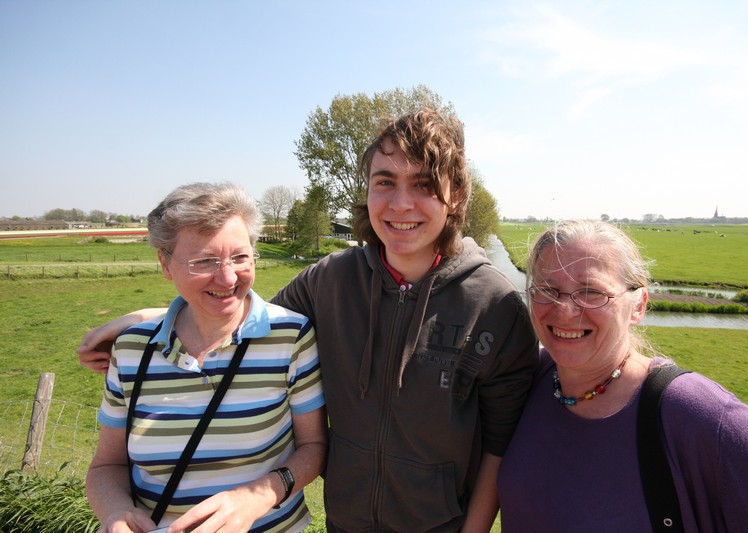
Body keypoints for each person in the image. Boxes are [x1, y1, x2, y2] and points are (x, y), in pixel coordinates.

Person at [78, 108, 539, 532]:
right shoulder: (331, 279)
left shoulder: (495, 303)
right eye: (384, 182)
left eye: (423, 185)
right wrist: (159, 316)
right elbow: (247, 313)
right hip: (345, 524)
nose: (401, 204)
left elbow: (499, 446)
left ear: (455, 196)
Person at [497, 219, 748, 531]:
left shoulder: (696, 413)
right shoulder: (527, 378)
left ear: (638, 306)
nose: (564, 309)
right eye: (547, 290)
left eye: (591, 292)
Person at [85, 182, 327, 533]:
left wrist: (258, 497)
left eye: (240, 257)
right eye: (204, 261)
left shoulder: (290, 337)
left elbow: (314, 446)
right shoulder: (132, 350)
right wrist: (117, 513)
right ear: (165, 263)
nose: (227, 278)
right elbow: (107, 466)